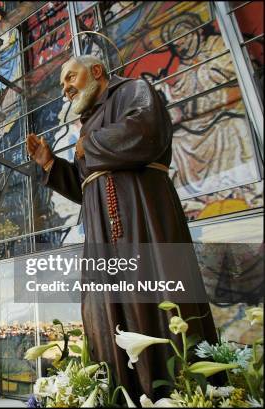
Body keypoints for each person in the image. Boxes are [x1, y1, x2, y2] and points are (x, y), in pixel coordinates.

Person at [26, 55, 218, 400]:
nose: (66, 87)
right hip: (102, 229)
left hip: (141, 215)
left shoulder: (134, 90)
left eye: (71, 77)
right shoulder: (90, 121)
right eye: (63, 84)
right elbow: (88, 184)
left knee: (153, 295)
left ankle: (175, 392)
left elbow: (147, 132)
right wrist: (51, 164)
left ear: (96, 71)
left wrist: (91, 144)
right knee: (103, 309)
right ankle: (121, 391)